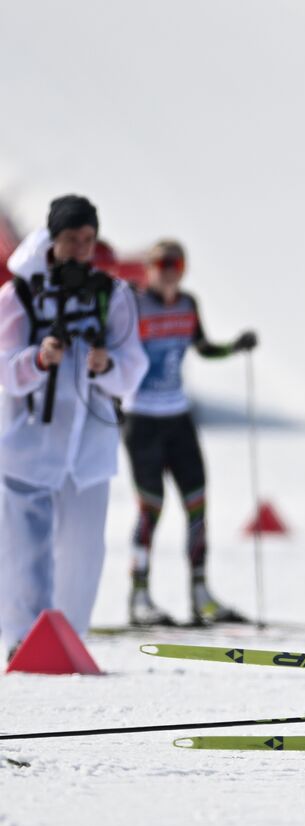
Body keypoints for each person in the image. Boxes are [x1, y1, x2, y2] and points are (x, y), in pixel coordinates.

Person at [0, 195, 149, 659]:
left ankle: (65, 637)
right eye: (71, 240)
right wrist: (37, 360)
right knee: (25, 549)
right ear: (52, 238)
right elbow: (3, 368)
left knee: (83, 551)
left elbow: (134, 366)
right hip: (28, 439)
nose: (81, 249)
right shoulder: (18, 295)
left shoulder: (113, 294)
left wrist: (107, 366)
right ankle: (24, 636)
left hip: (90, 443)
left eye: (88, 240)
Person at [123, 240, 257, 626]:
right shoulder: (134, 305)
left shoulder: (188, 304)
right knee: (151, 508)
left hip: (178, 417)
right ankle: (140, 597)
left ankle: (201, 594)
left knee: (197, 503)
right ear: (148, 268)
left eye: (175, 263)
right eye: (161, 263)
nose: (168, 270)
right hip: (142, 417)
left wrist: (234, 347)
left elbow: (202, 347)